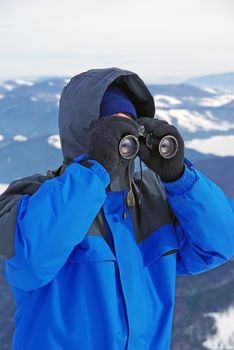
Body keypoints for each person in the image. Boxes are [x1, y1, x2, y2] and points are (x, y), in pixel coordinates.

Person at [0, 67, 233, 350]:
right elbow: (31, 263)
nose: (123, 137)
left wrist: (179, 177)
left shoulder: (152, 198)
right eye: (111, 127)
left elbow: (220, 243)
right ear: (85, 131)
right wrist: (95, 169)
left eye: (129, 126)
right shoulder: (31, 198)